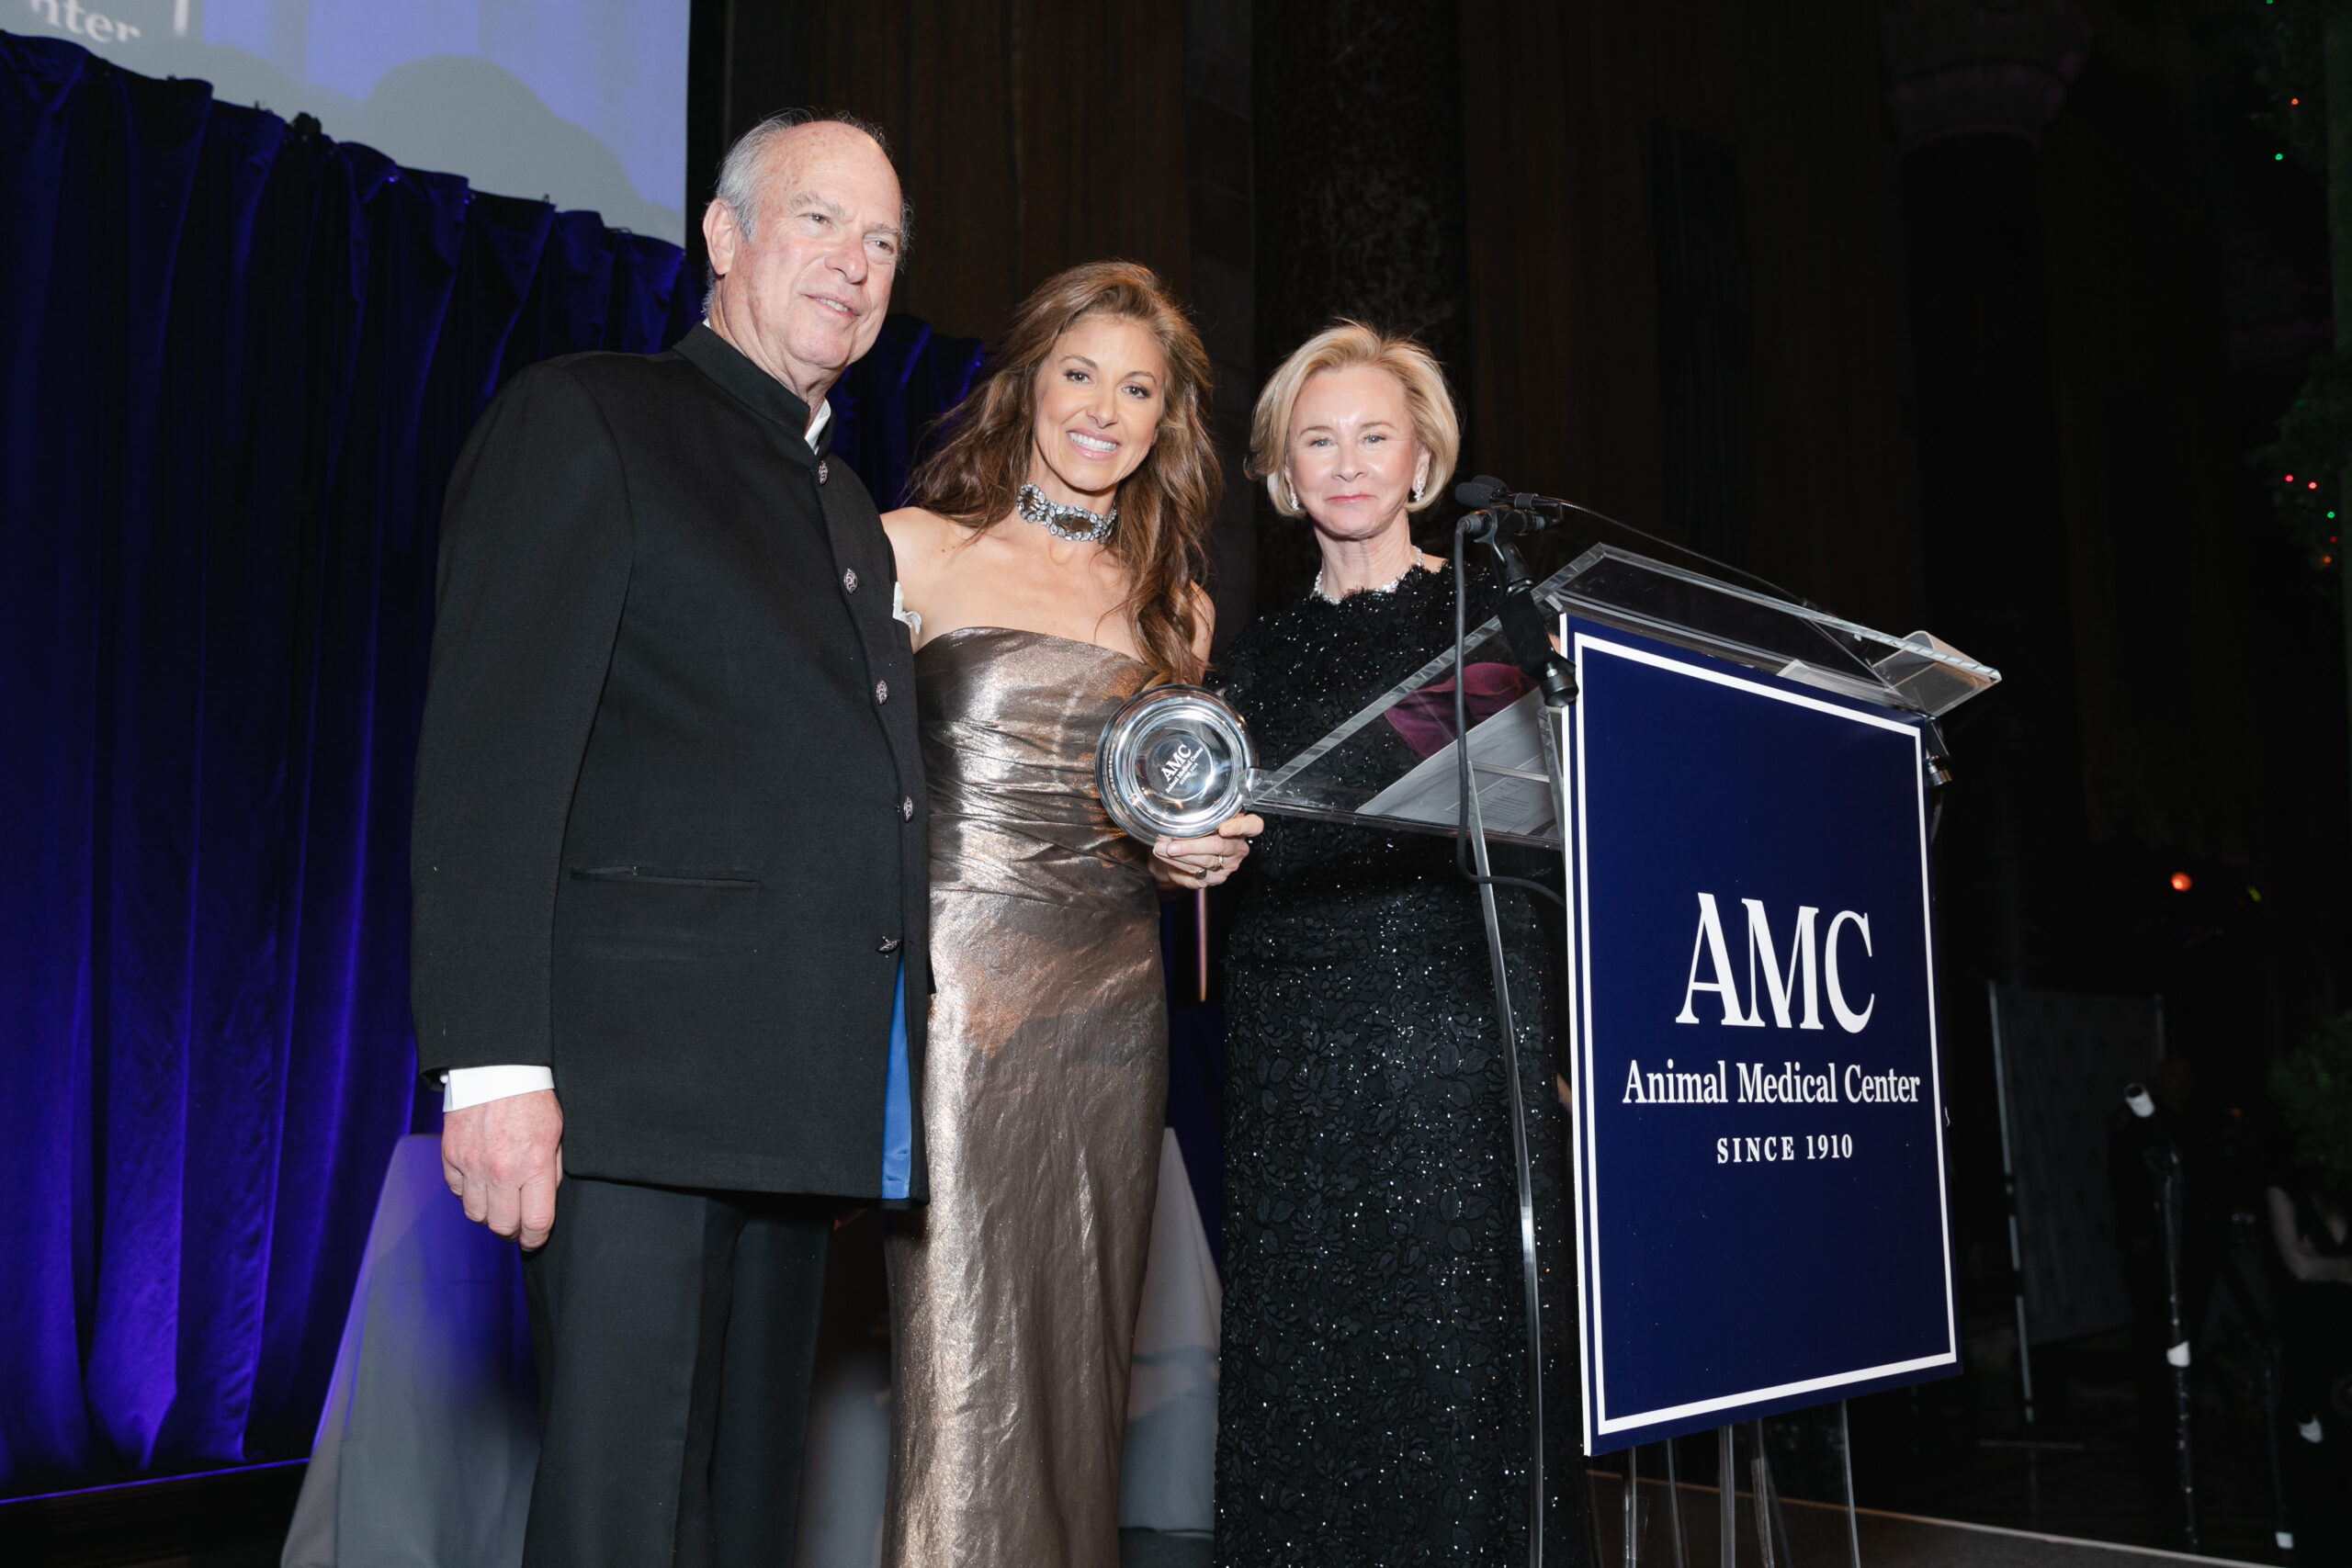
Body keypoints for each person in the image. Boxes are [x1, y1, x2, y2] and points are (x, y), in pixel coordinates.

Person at [411, 112, 923, 1568]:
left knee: (745, 1522)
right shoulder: (592, 415)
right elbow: (489, 761)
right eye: (820, 221)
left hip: (790, 1110)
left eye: (883, 241)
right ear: (722, 236)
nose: (855, 265)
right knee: (622, 1520)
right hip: (624, 1109)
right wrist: (495, 1064)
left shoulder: (842, 506)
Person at [879, 260, 1259, 1568]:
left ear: (1167, 423)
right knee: (963, 1346)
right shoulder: (913, 550)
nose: (1104, 409)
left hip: (1114, 1004)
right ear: (1030, 380)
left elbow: (1158, 826)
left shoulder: (1178, 611)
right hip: (958, 991)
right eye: (1081, 373)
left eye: (1138, 389)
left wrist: (1193, 860)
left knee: (1081, 1358)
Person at [1212, 322, 1594, 1564]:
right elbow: (1230, 845)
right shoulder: (1247, 656)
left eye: (1375, 434)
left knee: (1459, 1370)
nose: (1347, 461)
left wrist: (1555, 1045)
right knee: (1310, 1372)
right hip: (1290, 1051)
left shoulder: (1498, 622)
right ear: (1280, 469)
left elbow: (1549, 847)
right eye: (1317, 439)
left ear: (1424, 455)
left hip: (1457, 1040)